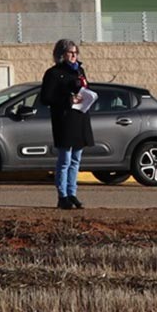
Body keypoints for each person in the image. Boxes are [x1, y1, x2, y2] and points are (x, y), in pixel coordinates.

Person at [42, 38, 93, 210]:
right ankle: (62, 195)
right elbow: (45, 98)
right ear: (61, 54)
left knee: (76, 159)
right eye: (70, 53)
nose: (73, 56)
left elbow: (84, 88)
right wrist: (66, 99)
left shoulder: (80, 71)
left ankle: (72, 193)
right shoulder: (54, 73)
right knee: (65, 159)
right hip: (64, 119)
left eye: (75, 52)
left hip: (79, 117)